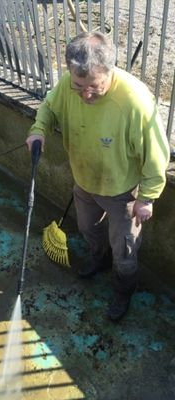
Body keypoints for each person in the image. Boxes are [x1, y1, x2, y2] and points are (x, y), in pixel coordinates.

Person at [25, 32, 169, 321]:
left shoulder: (135, 102)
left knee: (125, 250)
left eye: (94, 87)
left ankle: (123, 289)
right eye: (79, 87)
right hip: (84, 179)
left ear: (109, 72)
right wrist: (38, 129)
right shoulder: (69, 83)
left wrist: (148, 197)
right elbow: (50, 107)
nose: (85, 94)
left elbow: (156, 155)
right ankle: (98, 258)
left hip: (122, 192)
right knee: (88, 228)